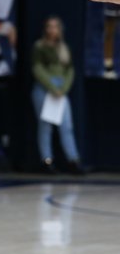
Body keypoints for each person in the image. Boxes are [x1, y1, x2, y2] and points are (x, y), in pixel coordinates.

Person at [31, 16, 84, 175]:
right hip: (44, 90)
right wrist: (52, 87)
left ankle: (73, 160)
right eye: (49, 26)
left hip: (61, 91)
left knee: (66, 126)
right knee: (45, 126)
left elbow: (70, 71)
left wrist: (63, 89)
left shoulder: (64, 48)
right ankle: (47, 160)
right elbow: (38, 69)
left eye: (55, 27)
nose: (52, 30)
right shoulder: (39, 47)